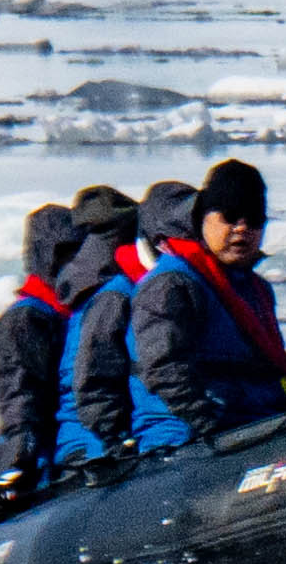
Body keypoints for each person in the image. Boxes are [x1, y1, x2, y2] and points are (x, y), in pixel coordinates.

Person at [131, 159, 286, 443]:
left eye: (254, 219)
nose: (242, 228)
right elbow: (162, 367)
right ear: (203, 218)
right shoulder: (173, 284)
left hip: (250, 424)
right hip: (190, 439)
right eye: (230, 216)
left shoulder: (255, 288)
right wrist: (209, 427)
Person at [55, 172, 189, 463]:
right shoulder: (119, 295)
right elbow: (94, 377)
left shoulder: (165, 288)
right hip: (102, 445)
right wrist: (112, 441)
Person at [0, 199, 86, 503]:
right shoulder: (25, 321)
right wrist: (6, 477)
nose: (73, 264)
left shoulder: (72, 314)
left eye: (78, 252)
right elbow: (19, 402)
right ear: (43, 257)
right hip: (40, 465)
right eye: (63, 254)